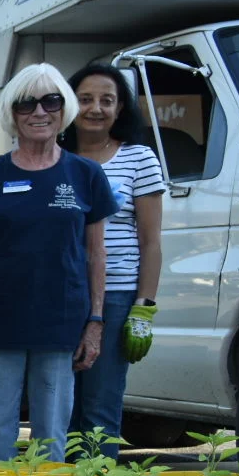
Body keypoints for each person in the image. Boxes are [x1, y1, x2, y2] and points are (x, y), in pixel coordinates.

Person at [0, 63, 116, 463]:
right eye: (26, 104)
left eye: (51, 101)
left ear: (65, 108)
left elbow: (96, 254)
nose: (39, 112)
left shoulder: (86, 174)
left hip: (61, 322)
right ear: (12, 112)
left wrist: (95, 322)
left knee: (52, 438)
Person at [61, 63, 165, 448]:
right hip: (61, 293)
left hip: (117, 295)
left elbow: (151, 241)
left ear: (120, 108)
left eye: (107, 100)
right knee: (58, 406)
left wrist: (144, 308)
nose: (96, 108)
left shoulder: (139, 158)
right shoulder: (52, 157)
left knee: (100, 406)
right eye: (85, 99)